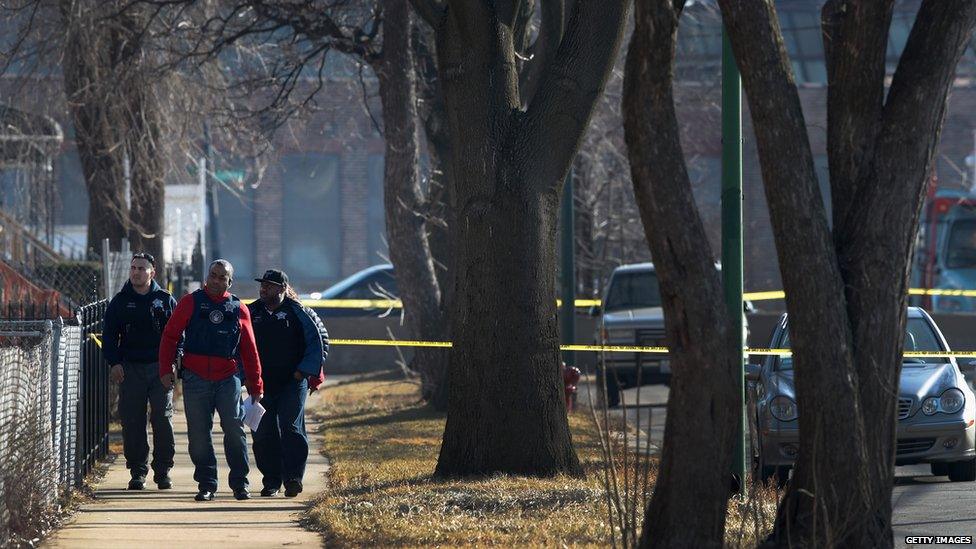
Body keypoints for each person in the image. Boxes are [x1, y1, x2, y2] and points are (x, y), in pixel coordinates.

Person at [158, 259, 263, 501]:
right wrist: (166, 369)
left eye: (221, 278)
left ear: (229, 281)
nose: (216, 281)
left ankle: (240, 483)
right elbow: (170, 336)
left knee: (235, 431)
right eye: (213, 276)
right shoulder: (190, 302)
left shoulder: (239, 308)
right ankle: (207, 484)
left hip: (228, 379)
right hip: (195, 379)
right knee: (198, 436)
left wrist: (256, 386)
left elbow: (250, 350)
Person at [247, 269, 328, 498]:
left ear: (282, 288)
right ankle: (271, 480)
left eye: (270, 286)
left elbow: (319, 341)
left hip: (292, 383)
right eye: (262, 285)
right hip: (260, 384)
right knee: (263, 433)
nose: (264, 289)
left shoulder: (298, 312)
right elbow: (237, 344)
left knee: (291, 428)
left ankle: (293, 478)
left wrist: (303, 372)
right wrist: (246, 376)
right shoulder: (251, 312)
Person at [102, 252, 178, 491]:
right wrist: (114, 362)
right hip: (130, 369)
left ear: (152, 273)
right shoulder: (120, 301)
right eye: (133, 268)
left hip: (160, 368)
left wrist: (174, 363)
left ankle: (163, 470)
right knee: (133, 421)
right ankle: (137, 471)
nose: (136, 272)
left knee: (162, 419)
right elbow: (109, 336)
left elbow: (178, 335)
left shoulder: (165, 300)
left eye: (141, 268)